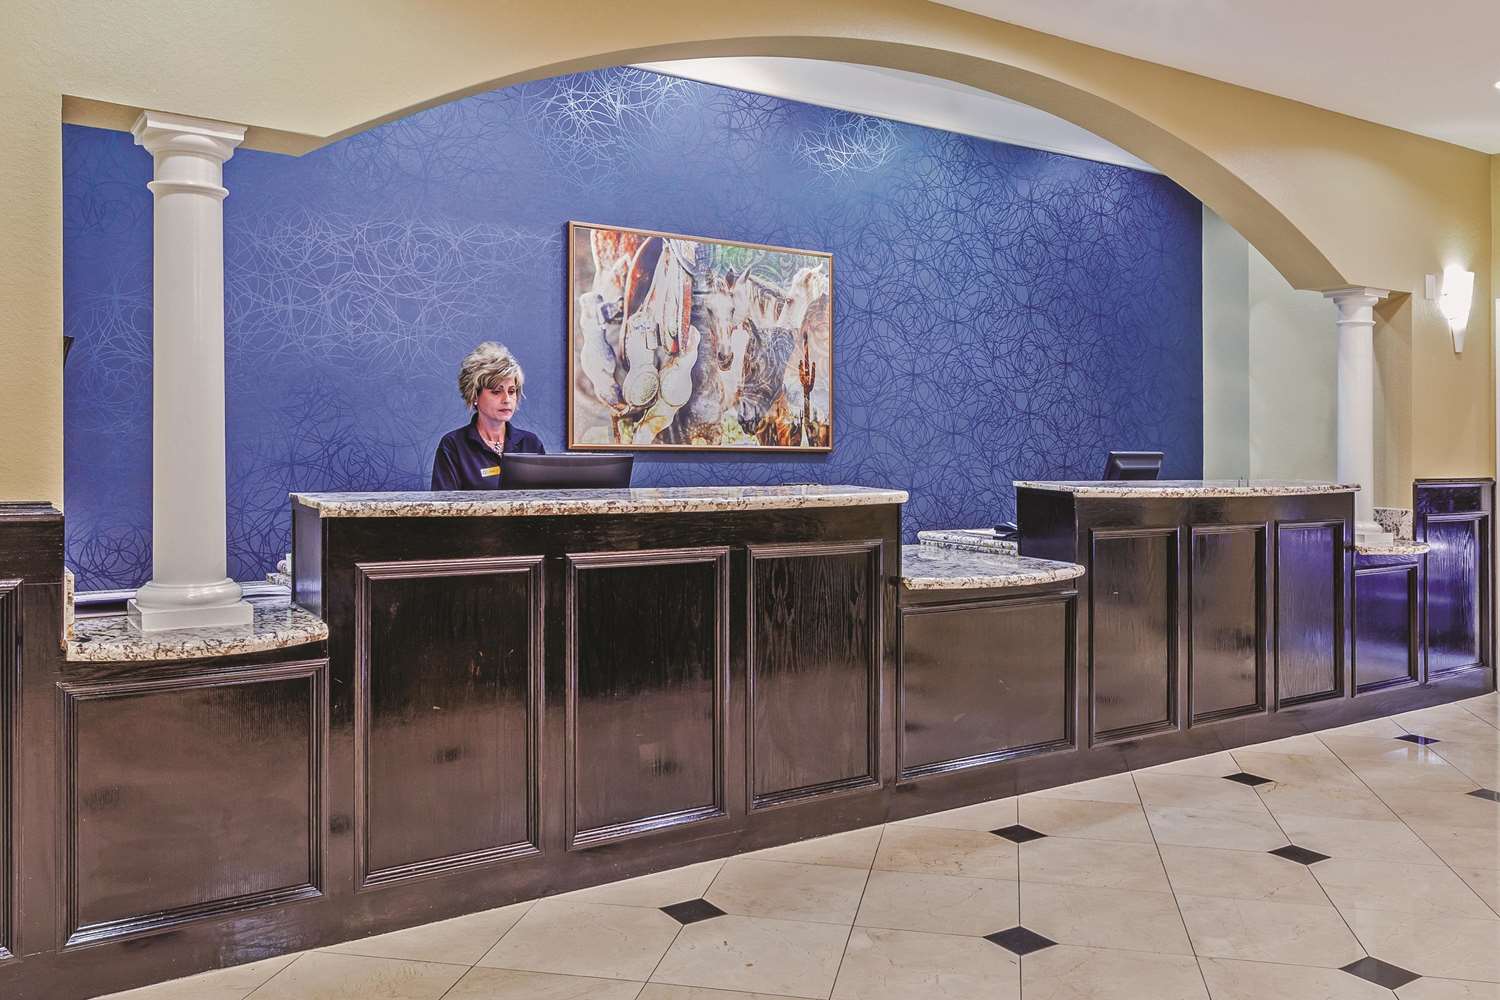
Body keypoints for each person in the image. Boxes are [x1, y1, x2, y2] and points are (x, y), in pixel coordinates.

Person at [430, 342, 545, 490]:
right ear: (474, 395)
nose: (506, 399)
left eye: (511, 391)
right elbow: (444, 503)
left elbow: (545, 499)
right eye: (496, 392)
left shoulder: (531, 444)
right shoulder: (453, 446)